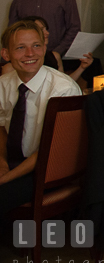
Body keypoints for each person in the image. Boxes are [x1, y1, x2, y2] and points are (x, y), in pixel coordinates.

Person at [0, 20, 81, 217]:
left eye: (36, 46)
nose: (30, 54)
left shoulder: (63, 89)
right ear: (6, 54)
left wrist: (5, 178)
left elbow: (49, 151)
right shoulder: (3, 84)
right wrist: (2, 163)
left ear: (44, 48)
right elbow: (1, 127)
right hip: (13, 162)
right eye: (20, 48)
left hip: (46, 169)